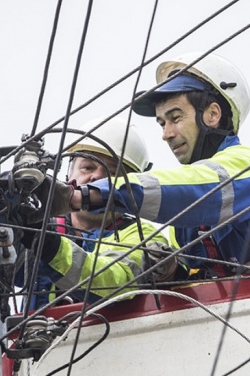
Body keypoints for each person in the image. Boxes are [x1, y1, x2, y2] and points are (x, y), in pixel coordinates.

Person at [67, 52, 250, 277]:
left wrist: (91, 195)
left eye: (175, 118)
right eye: (162, 123)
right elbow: (195, 283)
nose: (166, 134)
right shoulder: (180, 224)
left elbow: (194, 189)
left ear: (213, 115)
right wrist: (172, 271)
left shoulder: (249, 166)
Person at [15, 117, 172, 310]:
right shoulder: (39, 222)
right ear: (69, 174)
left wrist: (49, 246)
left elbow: (117, 279)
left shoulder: (144, 236)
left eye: (112, 173)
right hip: (34, 339)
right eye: (87, 167)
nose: (97, 176)